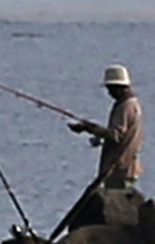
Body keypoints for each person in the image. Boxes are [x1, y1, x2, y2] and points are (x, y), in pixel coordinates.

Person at [61, 64, 143, 228]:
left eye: (110, 88)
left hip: (119, 167)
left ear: (118, 87)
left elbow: (116, 135)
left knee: (117, 210)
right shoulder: (130, 104)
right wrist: (95, 130)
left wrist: (89, 128)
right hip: (124, 165)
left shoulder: (125, 107)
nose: (108, 93)